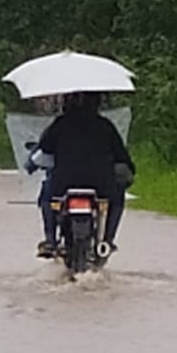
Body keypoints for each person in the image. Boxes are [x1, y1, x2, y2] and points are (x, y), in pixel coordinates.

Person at [34, 91, 135, 257]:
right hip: (101, 185)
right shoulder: (105, 126)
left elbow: (45, 147)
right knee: (117, 198)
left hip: (64, 183)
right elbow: (121, 155)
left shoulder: (60, 124)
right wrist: (129, 169)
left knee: (47, 195)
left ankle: (50, 240)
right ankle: (107, 241)